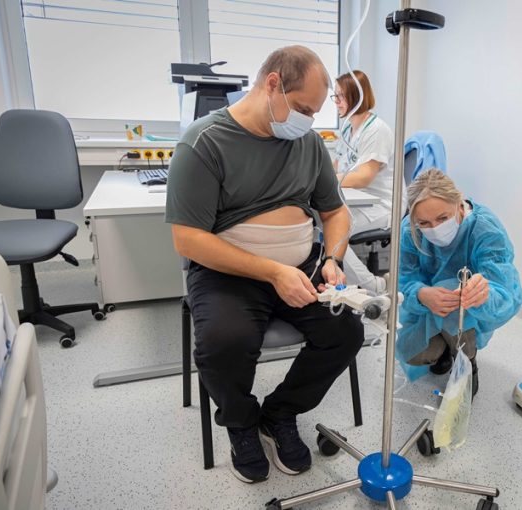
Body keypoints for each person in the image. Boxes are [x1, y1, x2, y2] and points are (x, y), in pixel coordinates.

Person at [165, 46, 364, 484]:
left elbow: (335, 212)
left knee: (345, 332)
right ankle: (241, 423)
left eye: (314, 112)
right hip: (228, 274)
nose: (308, 121)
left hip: (303, 265)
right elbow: (188, 238)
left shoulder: (307, 143)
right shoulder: (204, 143)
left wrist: (332, 258)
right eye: (304, 109)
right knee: (223, 343)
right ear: (273, 84)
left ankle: (279, 413)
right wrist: (272, 272)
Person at [397, 169, 522, 395]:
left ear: (458, 203)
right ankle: (445, 348)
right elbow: (403, 279)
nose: (435, 229)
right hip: (428, 309)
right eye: (424, 222)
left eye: (442, 218)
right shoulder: (409, 230)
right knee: (416, 354)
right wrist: (421, 294)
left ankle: (467, 362)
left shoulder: (485, 230)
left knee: (453, 293)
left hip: (468, 313)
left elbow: (505, 293)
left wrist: (484, 293)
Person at [332, 70, 394, 294]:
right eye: (335, 96)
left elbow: (363, 176)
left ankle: (376, 287)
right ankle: (345, 286)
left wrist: (326, 181)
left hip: (382, 205)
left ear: (357, 97)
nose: (336, 102)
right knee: (323, 222)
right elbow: (336, 166)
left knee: (335, 232)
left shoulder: (376, 130)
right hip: (359, 201)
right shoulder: (347, 127)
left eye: (341, 96)